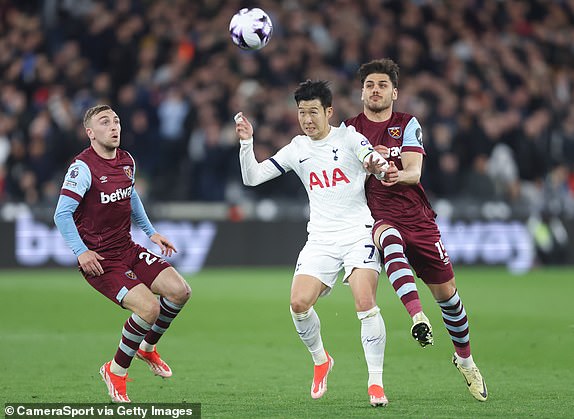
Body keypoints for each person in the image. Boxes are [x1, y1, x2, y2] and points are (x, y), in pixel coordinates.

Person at [235, 80, 390, 407]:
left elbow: (374, 162)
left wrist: (378, 163)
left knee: (364, 302)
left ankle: (375, 383)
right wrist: (247, 143)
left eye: (313, 112)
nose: (306, 119)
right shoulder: (297, 148)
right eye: (302, 112)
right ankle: (321, 360)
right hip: (320, 239)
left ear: (329, 112)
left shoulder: (348, 137)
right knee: (298, 304)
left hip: (357, 232)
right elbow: (252, 178)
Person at [345, 58, 488, 402]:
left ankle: (465, 360)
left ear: (394, 92)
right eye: (369, 85)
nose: (375, 90)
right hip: (378, 215)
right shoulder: (349, 130)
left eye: (381, 85)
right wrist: (367, 167)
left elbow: (415, 171)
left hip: (419, 218)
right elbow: (347, 179)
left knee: (449, 297)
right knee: (388, 238)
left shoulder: (407, 124)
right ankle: (416, 315)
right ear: (361, 91)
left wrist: (393, 172)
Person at [53, 105, 191, 403]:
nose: (114, 126)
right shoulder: (82, 168)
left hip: (127, 247)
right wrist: (81, 252)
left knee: (180, 291)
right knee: (149, 309)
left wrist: (151, 232)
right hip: (101, 260)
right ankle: (115, 370)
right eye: (105, 122)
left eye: (116, 121)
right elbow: (62, 214)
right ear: (90, 132)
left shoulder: (126, 160)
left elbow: (131, 195)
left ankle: (147, 348)